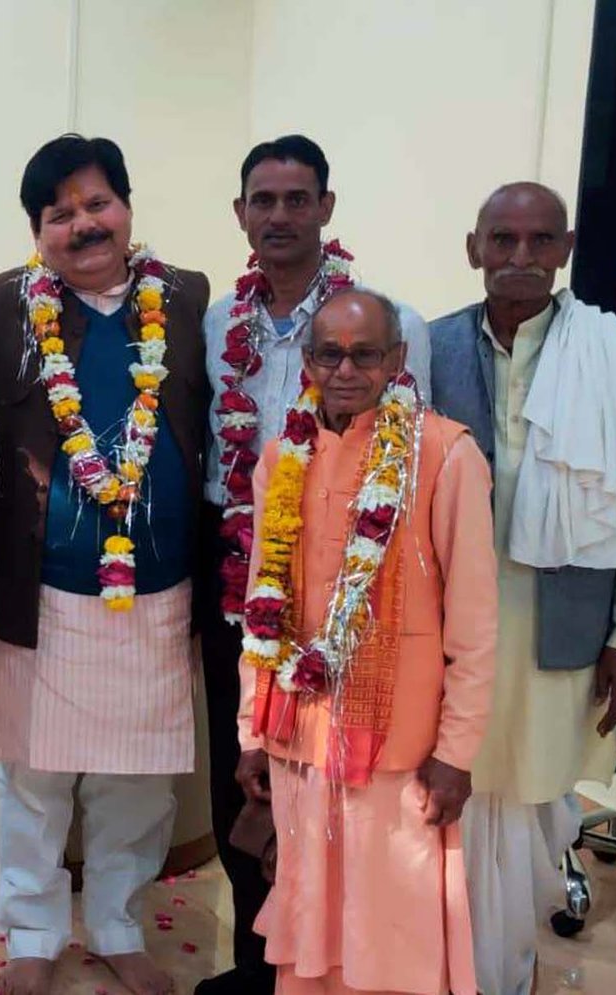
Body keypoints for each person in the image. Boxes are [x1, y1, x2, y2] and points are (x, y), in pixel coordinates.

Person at [0, 134, 210, 995]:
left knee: (137, 780)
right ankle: (32, 931)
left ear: (127, 208)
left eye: (97, 203)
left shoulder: (186, 298)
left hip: (158, 588)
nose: (83, 225)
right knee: (32, 777)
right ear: (36, 232)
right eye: (59, 213)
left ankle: (116, 923)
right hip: (42, 593)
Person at [195, 133, 432, 995]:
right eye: (264, 199)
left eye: (299, 198)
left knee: (335, 783)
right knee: (246, 768)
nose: (281, 215)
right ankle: (257, 964)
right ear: (241, 213)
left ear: (327, 207)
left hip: (348, 584)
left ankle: (331, 968)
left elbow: (409, 462)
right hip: (242, 574)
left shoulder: (384, 323)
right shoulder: (220, 320)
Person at [237, 289, 496, 995]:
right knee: (310, 915)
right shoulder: (282, 458)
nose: (346, 371)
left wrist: (456, 753)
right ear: (307, 361)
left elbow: (475, 624)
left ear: (397, 359)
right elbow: (262, 607)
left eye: (366, 354)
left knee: (393, 926)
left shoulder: (445, 454)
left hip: (399, 744)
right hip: (299, 734)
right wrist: (250, 732)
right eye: (329, 354)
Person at [429, 181, 616, 995]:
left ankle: (505, 970)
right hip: (450, 625)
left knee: (529, 800)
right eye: (503, 240)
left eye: (541, 240)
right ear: (473, 248)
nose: (521, 257)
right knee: (454, 789)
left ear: (567, 249)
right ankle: (443, 965)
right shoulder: (428, 347)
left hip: (564, 618)